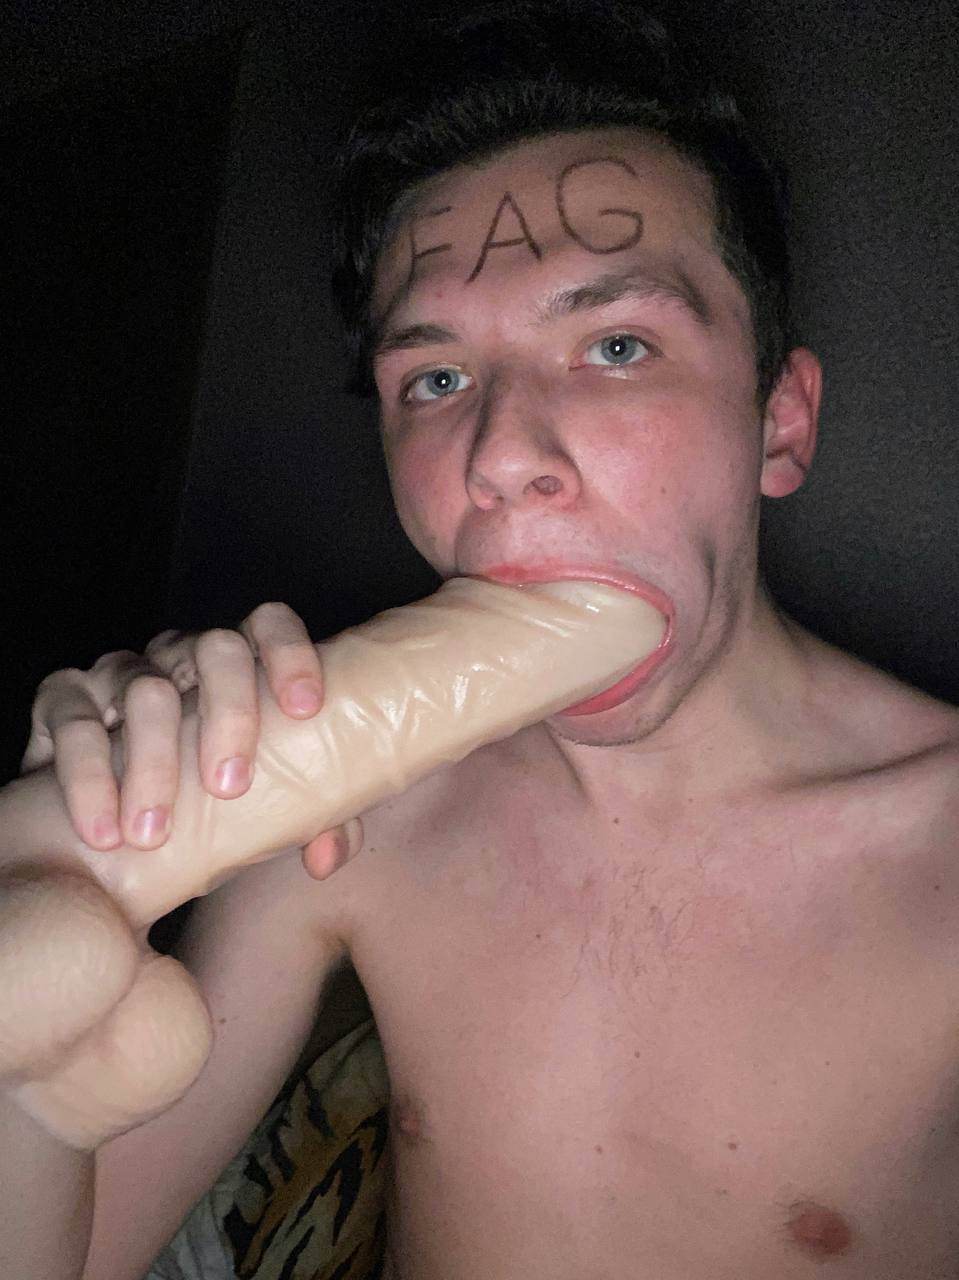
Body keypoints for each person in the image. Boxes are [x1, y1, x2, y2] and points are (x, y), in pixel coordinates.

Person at [4, 2, 959, 1276]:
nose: (498, 455)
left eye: (614, 345)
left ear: (777, 423)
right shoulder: (347, 827)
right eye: (436, 379)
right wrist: (36, 1075)